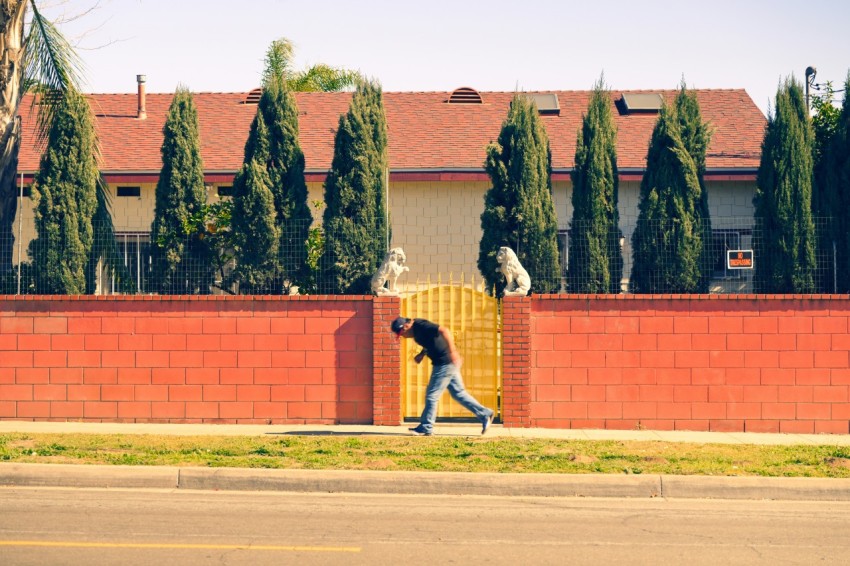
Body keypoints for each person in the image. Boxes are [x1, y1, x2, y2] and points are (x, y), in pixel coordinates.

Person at [391, 316, 495, 436]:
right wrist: (422, 354)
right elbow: (431, 341)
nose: (403, 336)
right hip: (445, 363)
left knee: (432, 395)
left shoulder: (420, 325)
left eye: (401, 333)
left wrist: (453, 352)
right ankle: (485, 414)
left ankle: (426, 427)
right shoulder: (417, 331)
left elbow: (444, 330)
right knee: (459, 393)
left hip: (444, 362)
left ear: (405, 327)